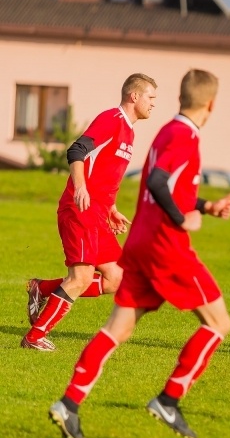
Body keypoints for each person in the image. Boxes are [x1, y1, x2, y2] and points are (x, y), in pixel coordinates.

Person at [49, 69, 230, 438]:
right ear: (211, 104)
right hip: (167, 249)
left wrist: (206, 205)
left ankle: (68, 405)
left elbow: (167, 185)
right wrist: (183, 217)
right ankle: (169, 399)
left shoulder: (167, 130)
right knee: (219, 324)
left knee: (117, 329)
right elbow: (156, 183)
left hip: (139, 245)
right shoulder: (185, 137)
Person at [22, 73, 158, 352]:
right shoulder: (112, 119)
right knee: (80, 278)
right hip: (80, 208)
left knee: (117, 278)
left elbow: (105, 174)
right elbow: (77, 150)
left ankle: (42, 288)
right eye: (150, 97)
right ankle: (34, 338)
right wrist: (80, 188)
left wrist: (111, 208)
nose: (153, 104)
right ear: (134, 96)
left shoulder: (130, 131)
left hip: (98, 213)